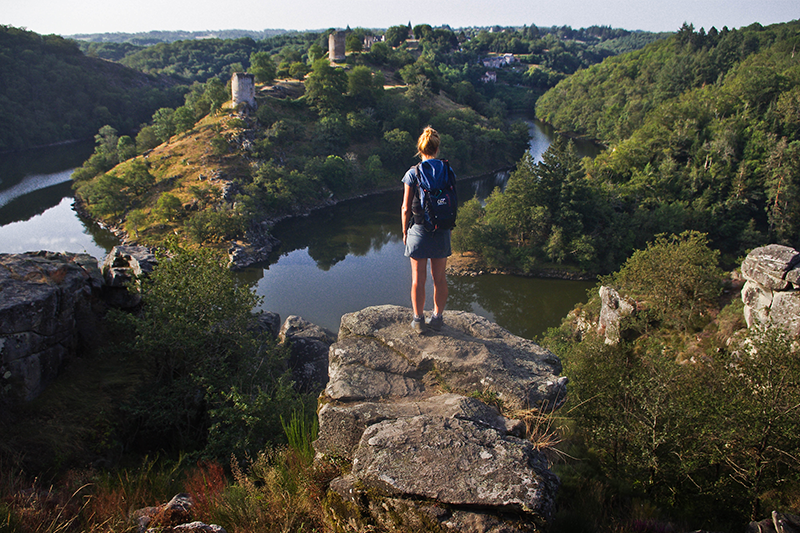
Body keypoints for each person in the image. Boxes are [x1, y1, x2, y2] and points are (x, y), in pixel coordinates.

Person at [401, 126, 452, 334]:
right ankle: (437, 318)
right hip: (441, 230)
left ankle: (418, 320)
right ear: (437, 148)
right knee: (439, 278)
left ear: (420, 149)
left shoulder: (412, 173)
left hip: (419, 231)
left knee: (417, 279)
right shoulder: (448, 170)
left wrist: (405, 232)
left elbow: (405, 208)